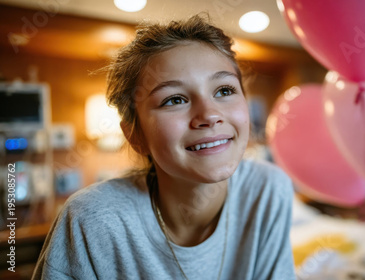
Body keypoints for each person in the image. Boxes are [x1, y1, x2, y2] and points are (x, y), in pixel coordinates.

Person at [32, 14, 296, 280]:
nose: (209, 115)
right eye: (174, 99)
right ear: (135, 136)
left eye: (224, 91)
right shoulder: (92, 220)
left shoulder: (269, 189)